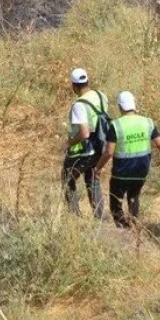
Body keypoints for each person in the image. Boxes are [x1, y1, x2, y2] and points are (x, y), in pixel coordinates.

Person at [94, 91, 160, 228]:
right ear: (134, 105)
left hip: (121, 173)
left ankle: (124, 229)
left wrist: (98, 168)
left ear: (120, 107)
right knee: (134, 197)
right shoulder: (147, 122)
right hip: (141, 171)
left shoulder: (116, 125)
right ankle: (134, 224)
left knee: (115, 202)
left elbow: (108, 152)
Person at [62, 68, 107, 218]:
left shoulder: (79, 105)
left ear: (73, 85)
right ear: (87, 81)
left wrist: (69, 143)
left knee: (68, 177)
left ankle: (74, 217)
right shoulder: (101, 96)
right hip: (101, 145)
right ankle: (100, 217)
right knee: (92, 178)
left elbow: (84, 132)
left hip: (87, 149)